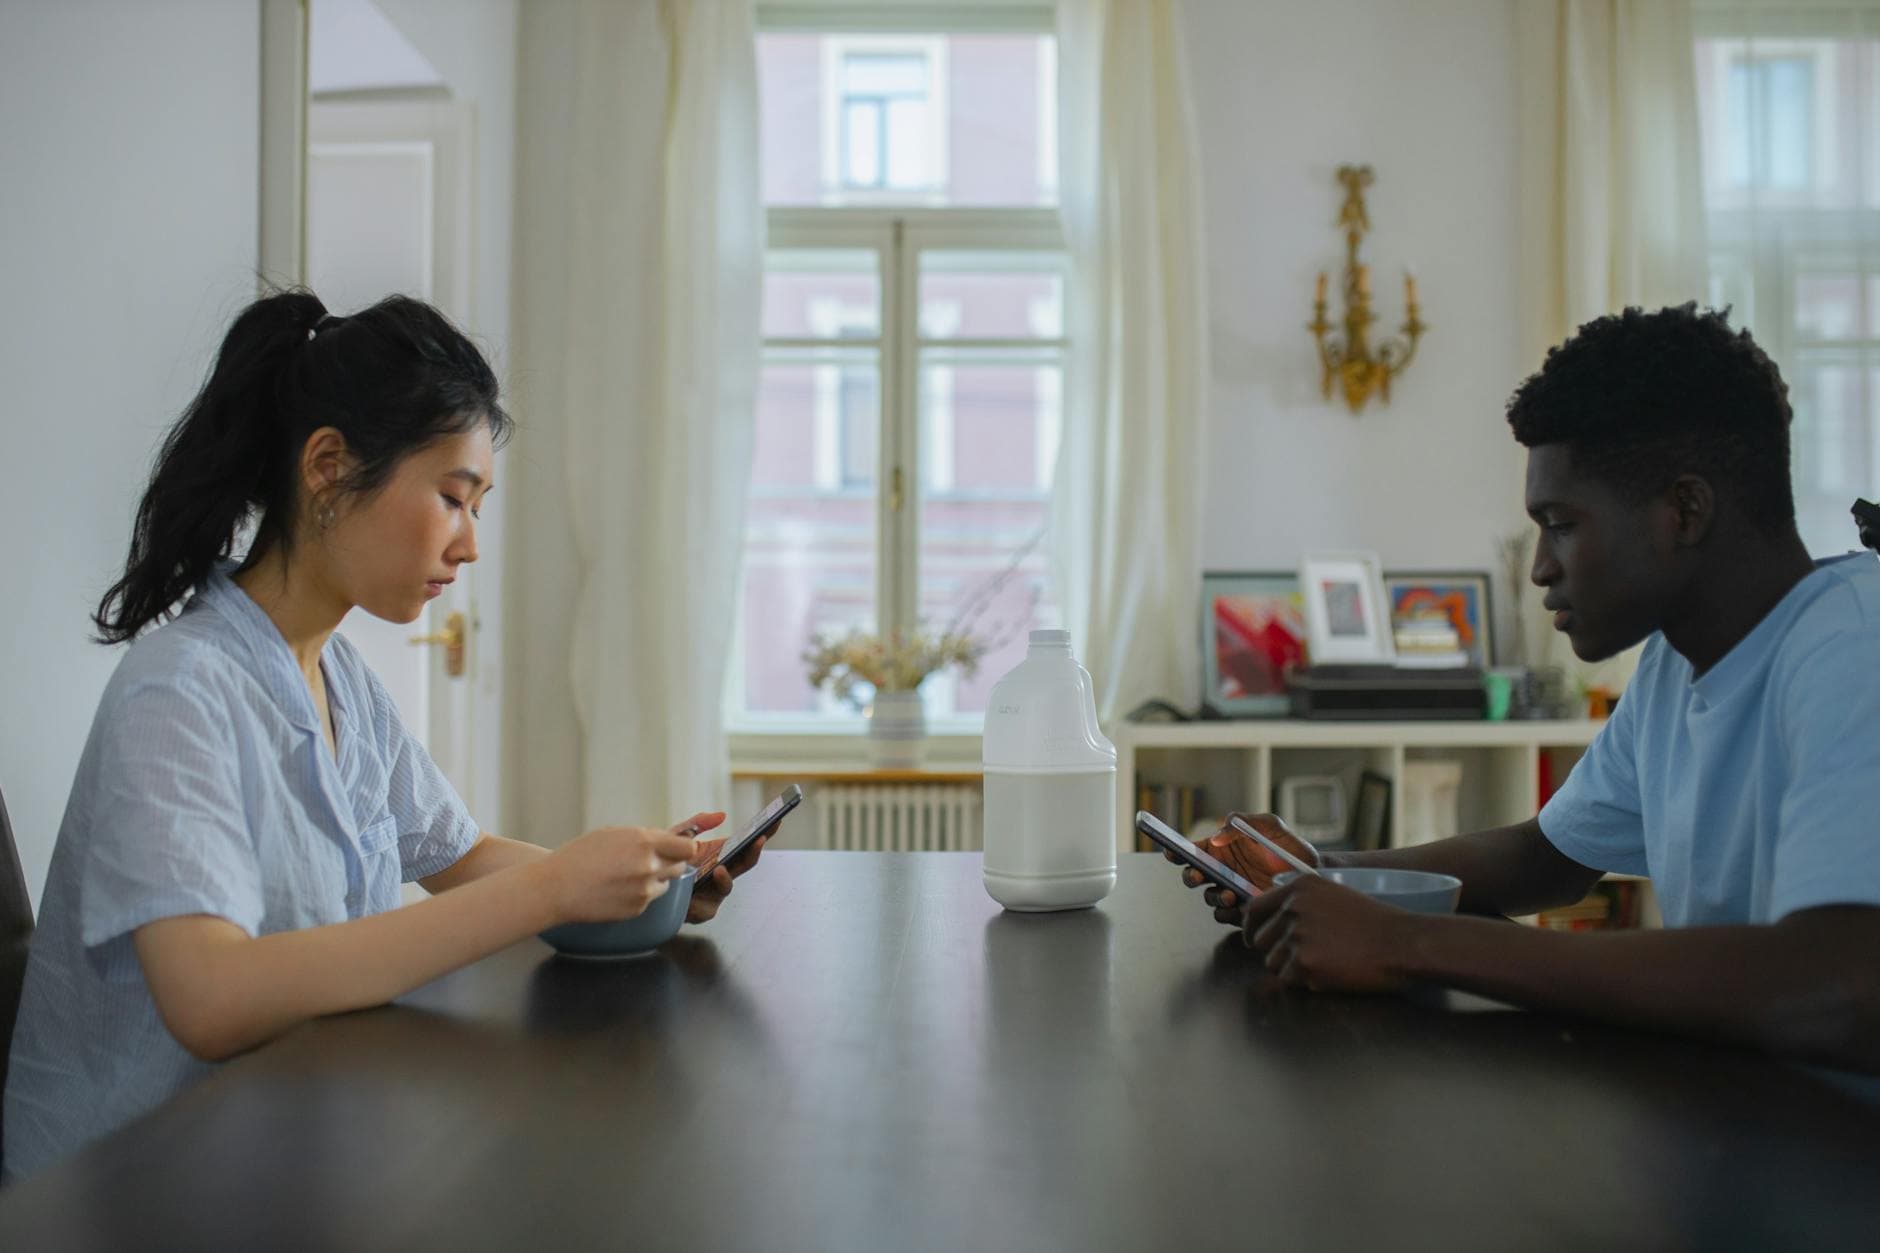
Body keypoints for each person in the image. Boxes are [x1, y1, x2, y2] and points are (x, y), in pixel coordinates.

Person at [2, 290, 772, 1179]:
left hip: (283, 1141)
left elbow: (463, 852)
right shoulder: (176, 692)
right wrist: (552, 888)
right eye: (454, 498)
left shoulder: (340, 681)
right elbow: (211, 996)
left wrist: (641, 887)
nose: (471, 544)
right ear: (328, 466)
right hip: (133, 1186)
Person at [1176, 305, 1880, 1074]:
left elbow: (1838, 985)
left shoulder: (1853, 646)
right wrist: (1324, 876)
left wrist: (1409, 944)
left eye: (1562, 523)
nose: (1541, 565)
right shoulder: (1676, 664)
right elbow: (1547, 856)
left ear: (1685, 510)